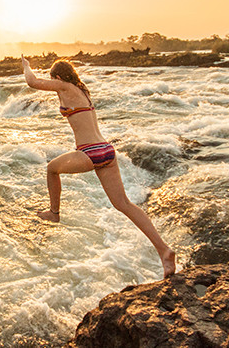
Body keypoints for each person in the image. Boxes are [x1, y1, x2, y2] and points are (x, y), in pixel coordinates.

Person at [21, 55, 176, 278]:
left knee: (51, 169)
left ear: (57, 77)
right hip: (107, 151)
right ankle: (164, 250)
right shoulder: (82, 90)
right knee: (124, 204)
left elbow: (32, 82)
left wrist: (26, 67)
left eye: (53, 79)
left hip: (89, 152)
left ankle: (54, 213)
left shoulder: (64, 86)